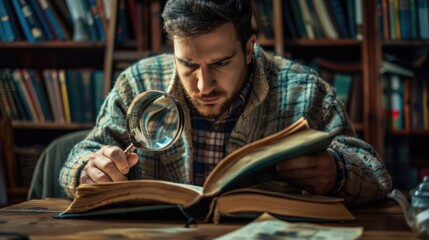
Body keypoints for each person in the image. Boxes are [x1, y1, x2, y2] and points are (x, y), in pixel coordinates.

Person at [59, 0, 392, 206]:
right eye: (187, 65)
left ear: (249, 48)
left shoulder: (306, 92)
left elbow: (377, 177)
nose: (203, 85)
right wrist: (88, 172)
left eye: (220, 63)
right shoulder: (137, 83)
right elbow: (78, 159)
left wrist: (338, 173)